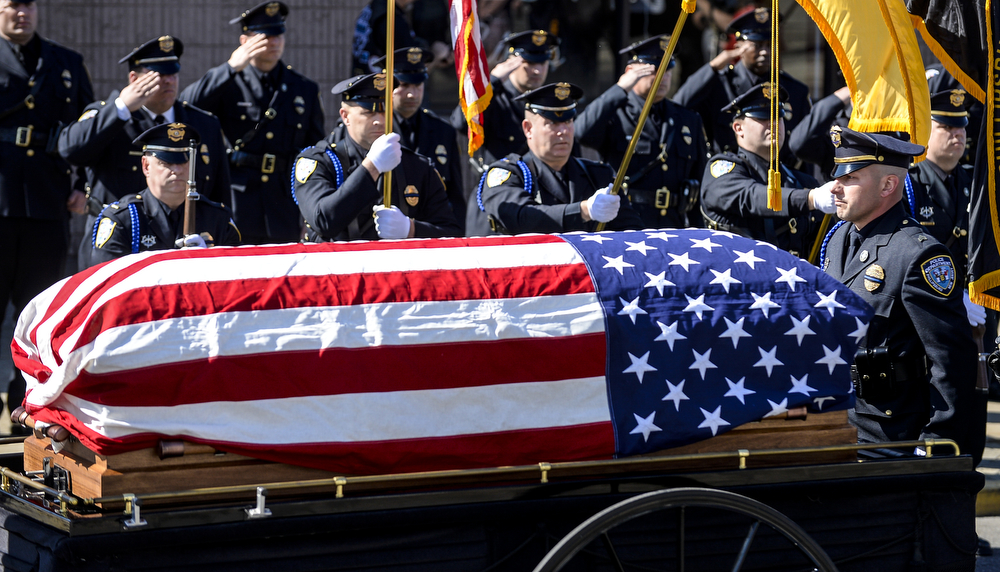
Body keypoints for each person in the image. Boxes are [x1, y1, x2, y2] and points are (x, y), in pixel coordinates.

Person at [820, 127, 977, 461]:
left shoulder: (918, 255)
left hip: (891, 434)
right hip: (841, 420)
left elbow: (950, 360)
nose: (835, 187)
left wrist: (935, 440)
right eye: (837, 176)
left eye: (850, 179)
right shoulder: (839, 239)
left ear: (888, 185)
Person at [59, 35, 231, 269]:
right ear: (134, 79)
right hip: (118, 241)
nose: (169, 81)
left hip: (189, 242)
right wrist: (121, 107)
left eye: (173, 73)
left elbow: (219, 194)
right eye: (159, 75)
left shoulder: (202, 123)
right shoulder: (110, 116)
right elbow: (71, 149)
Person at [0, 0, 93, 424]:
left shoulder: (65, 62)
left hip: (46, 203)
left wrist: (81, 185)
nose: (22, 12)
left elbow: (89, 132)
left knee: (39, 314)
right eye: (12, 4)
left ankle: (29, 406)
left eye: (29, 4)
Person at [180, 1, 324, 245]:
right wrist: (230, 67)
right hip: (238, 200)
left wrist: (309, 216)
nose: (274, 42)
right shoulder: (228, 82)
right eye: (265, 36)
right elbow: (187, 106)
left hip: (284, 204)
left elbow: (314, 155)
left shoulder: (303, 88)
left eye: (278, 34)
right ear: (245, 41)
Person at [292, 72, 461, 241]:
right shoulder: (319, 162)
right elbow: (323, 220)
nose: (379, 121)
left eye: (384, 112)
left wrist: (411, 229)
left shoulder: (416, 165)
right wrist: (372, 166)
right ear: (345, 116)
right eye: (368, 113)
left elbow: (452, 232)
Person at [575, 35, 710, 229]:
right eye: (654, 70)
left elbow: (699, 181)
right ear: (631, 72)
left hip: (673, 225)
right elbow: (581, 132)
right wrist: (621, 87)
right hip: (626, 223)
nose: (662, 77)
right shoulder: (616, 113)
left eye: (667, 70)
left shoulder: (687, 119)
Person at [479, 82, 643, 234]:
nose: (563, 131)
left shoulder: (599, 175)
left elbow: (631, 231)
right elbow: (520, 218)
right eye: (552, 123)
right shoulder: (508, 175)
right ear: (528, 129)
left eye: (568, 121)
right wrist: (584, 211)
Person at [700, 84, 834, 257]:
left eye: (778, 116)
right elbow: (750, 197)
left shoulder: (803, 182)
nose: (774, 123)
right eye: (763, 118)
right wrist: (811, 198)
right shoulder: (721, 171)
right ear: (738, 128)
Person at [452, 29, 560, 235]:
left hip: (536, 200)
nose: (537, 71)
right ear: (513, 62)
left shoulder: (545, 103)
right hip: (494, 200)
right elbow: (459, 121)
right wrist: (491, 80)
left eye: (542, 63)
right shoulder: (492, 96)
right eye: (529, 64)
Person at [90, 123, 241, 265]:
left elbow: (235, 278)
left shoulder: (217, 218)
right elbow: (109, 281)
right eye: (166, 163)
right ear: (146, 166)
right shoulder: (123, 220)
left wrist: (209, 261)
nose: (177, 170)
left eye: (183, 162)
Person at [673, 5, 811, 155]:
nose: (765, 52)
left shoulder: (793, 90)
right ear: (739, 46)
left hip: (777, 176)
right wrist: (714, 66)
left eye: (769, 45)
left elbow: (804, 147)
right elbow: (680, 103)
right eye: (757, 46)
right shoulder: (719, 84)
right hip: (728, 173)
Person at [371, 47, 465, 232]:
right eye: (404, 85)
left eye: (418, 85)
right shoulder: (374, 130)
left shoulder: (443, 131)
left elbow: (455, 196)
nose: (412, 94)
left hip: (429, 234)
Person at [352, 0, 450, 76]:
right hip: (380, 92)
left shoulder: (376, 7)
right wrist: (437, 55)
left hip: (365, 86)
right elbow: (410, 71)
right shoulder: (390, 18)